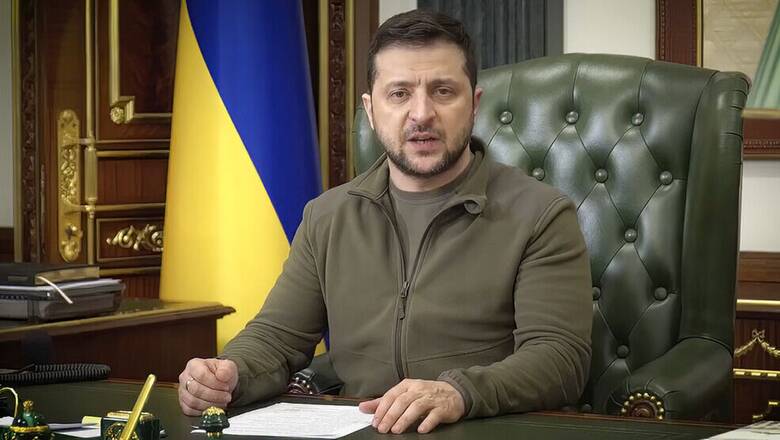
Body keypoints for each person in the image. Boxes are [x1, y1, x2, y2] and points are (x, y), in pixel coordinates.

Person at [177, 9, 592, 434]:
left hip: (484, 428)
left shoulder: (540, 214)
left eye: (443, 91)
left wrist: (459, 393)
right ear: (371, 110)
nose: (421, 113)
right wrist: (228, 373)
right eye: (399, 94)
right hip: (361, 429)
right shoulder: (328, 216)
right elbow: (276, 338)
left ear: (474, 104)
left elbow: (560, 360)